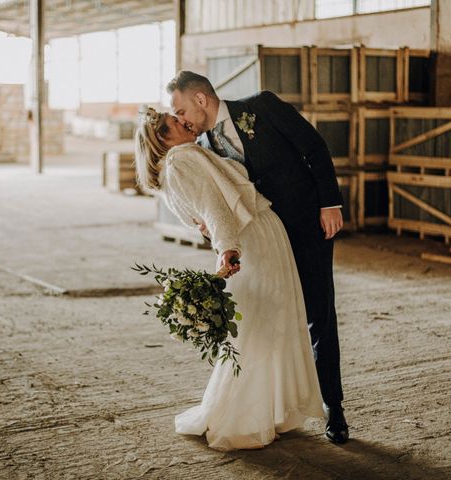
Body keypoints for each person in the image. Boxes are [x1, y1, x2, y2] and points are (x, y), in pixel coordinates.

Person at [167, 71, 349, 444]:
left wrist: (330, 202)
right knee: (268, 319)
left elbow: (313, 147)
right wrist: (206, 226)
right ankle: (275, 407)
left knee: (319, 313)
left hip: (306, 224)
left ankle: (335, 408)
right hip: (263, 241)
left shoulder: (261, 106)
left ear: (201, 99)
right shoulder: (200, 145)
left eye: (181, 108)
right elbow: (214, 195)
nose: (181, 118)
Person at [135, 107, 324, 451]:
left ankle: (266, 410)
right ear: (164, 137)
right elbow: (212, 207)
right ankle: (242, 418)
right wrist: (228, 249)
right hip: (251, 237)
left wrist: (223, 242)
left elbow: (203, 212)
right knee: (259, 326)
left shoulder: (176, 165)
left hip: (255, 234)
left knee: (263, 322)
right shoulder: (182, 158)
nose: (185, 122)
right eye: (176, 122)